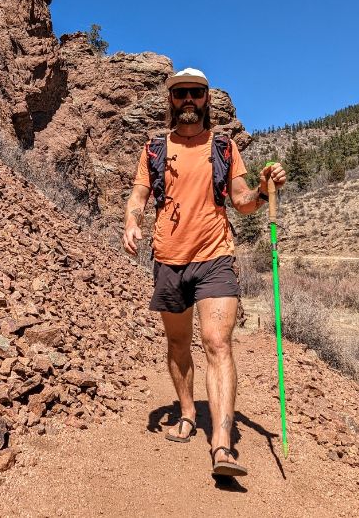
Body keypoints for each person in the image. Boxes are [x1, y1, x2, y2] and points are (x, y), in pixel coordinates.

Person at [122, 67, 286, 476]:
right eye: (181, 95)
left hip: (215, 257)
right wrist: (132, 221)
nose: (188, 100)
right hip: (168, 259)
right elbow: (138, 195)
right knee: (178, 344)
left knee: (217, 343)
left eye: (196, 93)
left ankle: (223, 445)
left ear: (206, 100)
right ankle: (187, 413)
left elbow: (242, 202)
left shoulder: (224, 148)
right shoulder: (154, 149)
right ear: (171, 101)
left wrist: (264, 190)